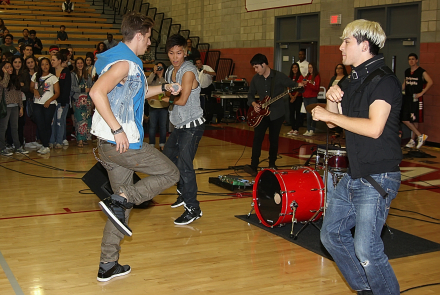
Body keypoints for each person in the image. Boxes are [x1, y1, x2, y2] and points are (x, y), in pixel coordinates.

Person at [312, 19, 402, 295]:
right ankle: (365, 289)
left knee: (367, 249)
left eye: (346, 41)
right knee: (331, 235)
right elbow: (333, 124)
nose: (340, 47)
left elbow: (374, 128)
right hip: (355, 175)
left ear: (364, 45)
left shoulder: (384, 81)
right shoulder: (351, 80)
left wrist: (329, 114)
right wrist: (331, 97)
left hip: (378, 176)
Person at [89, 12, 180, 282]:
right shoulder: (125, 63)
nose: (150, 43)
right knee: (170, 174)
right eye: (149, 37)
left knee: (121, 209)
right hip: (122, 143)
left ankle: (108, 264)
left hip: (112, 146)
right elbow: (96, 92)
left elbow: (139, 91)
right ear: (138, 36)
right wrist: (117, 130)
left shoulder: (127, 62)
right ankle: (123, 197)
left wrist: (164, 87)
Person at [162, 34, 205, 225]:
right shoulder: (170, 71)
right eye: (171, 53)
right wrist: (164, 96)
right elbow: (167, 93)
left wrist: (162, 99)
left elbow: (181, 100)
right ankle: (182, 190)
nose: (175, 57)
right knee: (167, 159)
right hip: (179, 125)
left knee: (185, 166)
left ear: (185, 52)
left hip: (192, 126)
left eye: (179, 52)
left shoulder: (188, 72)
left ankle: (193, 208)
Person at [243, 53, 302, 176]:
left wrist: (301, 85)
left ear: (264, 65)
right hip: (261, 114)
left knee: (273, 140)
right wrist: (254, 103)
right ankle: (254, 166)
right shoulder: (255, 79)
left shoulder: (279, 76)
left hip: (276, 113)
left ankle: (272, 164)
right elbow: (250, 95)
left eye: (257, 67)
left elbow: (293, 85)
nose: (255, 70)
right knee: (257, 139)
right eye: (254, 67)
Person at [402, 53, 433, 149]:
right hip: (407, 97)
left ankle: (413, 139)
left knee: (414, 119)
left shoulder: (421, 71)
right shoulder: (407, 71)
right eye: (409, 59)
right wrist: (399, 90)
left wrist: (422, 93)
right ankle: (419, 136)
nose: (411, 61)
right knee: (404, 118)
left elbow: (430, 82)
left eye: (413, 59)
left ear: (416, 60)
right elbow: (405, 83)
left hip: (416, 98)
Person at [30, 57, 59, 155]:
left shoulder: (53, 77)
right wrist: (34, 90)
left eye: (47, 64)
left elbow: (57, 92)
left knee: (47, 124)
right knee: (40, 124)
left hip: (49, 104)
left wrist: (49, 101)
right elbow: (31, 87)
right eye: (42, 64)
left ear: (49, 65)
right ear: (40, 66)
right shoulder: (35, 75)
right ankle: (45, 144)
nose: (45, 66)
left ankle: (46, 145)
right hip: (37, 103)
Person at [0, 61, 28, 156]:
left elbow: (18, 94)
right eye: (7, 67)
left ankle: (17, 146)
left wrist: (21, 107)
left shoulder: (15, 79)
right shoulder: (2, 79)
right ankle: (2, 148)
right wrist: (5, 74)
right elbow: (4, 85)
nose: (10, 69)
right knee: (3, 128)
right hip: (5, 107)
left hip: (15, 106)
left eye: (10, 67)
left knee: (15, 128)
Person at [49, 51, 71, 149]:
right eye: (51, 60)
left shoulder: (65, 72)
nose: (52, 62)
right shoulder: (51, 72)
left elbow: (66, 88)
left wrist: (63, 102)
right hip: (52, 101)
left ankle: (59, 141)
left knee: (60, 121)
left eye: (53, 60)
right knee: (52, 121)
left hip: (62, 102)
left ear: (59, 61)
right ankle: (52, 141)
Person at [146, 62, 168, 151]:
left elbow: (166, 87)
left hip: (163, 106)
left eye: (161, 68)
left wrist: (161, 76)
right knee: (152, 126)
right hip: (153, 105)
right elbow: (146, 84)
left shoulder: (166, 78)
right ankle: (152, 144)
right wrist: (153, 73)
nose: (159, 70)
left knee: (163, 126)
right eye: (158, 68)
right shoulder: (152, 79)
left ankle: (162, 144)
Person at [71, 57, 92, 147]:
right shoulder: (73, 75)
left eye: (81, 63)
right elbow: (72, 87)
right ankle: (79, 139)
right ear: (75, 64)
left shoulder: (88, 75)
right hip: (78, 100)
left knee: (87, 120)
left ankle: (84, 139)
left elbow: (92, 87)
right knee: (79, 120)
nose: (80, 65)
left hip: (87, 100)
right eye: (78, 63)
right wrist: (83, 89)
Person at [302, 62, 320, 136]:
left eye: (311, 67)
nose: (309, 69)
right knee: (308, 114)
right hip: (306, 97)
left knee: (312, 114)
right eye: (309, 67)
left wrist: (308, 84)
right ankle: (308, 129)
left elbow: (316, 88)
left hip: (312, 97)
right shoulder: (307, 76)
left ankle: (312, 129)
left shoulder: (317, 77)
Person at [286, 62, 304, 136]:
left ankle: (297, 129)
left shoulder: (300, 77)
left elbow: (300, 88)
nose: (294, 69)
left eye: (296, 67)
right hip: (290, 97)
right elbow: (287, 87)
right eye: (293, 67)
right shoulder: (289, 77)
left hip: (298, 97)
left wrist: (295, 96)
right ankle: (292, 128)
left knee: (297, 113)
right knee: (291, 113)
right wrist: (290, 95)